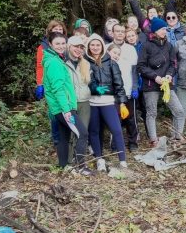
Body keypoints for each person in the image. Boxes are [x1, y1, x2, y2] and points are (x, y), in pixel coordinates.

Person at [41, 32, 90, 173]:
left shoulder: (55, 59)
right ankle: (81, 167)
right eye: (57, 43)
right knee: (82, 133)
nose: (61, 46)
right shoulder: (54, 63)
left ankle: (63, 166)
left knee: (64, 136)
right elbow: (58, 89)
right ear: (50, 44)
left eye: (63, 43)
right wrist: (67, 110)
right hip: (64, 107)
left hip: (61, 108)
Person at [137, 17, 186, 145]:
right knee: (152, 112)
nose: (165, 31)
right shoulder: (146, 46)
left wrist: (169, 75)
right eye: (162, 29)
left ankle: (177, 135)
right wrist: (155, 77)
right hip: (150, 85)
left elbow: (174, 63)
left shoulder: (169, 46)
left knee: (179, 110)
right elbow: (141, 66)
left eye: (165, 29)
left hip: (166, 84)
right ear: (155, 30)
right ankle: (153, 139)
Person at [85, 34, 128, 175]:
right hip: (91, 102)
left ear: (102, 47)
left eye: (98, 45)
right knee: (94, 131)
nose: (95, 47)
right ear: (89, 46)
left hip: (108, 102)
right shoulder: (84, 62)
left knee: (116, 129)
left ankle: (123, 160)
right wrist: (94, 89)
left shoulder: (111, 62)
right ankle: (99, 159)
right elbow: (84, 83)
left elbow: (119, 84)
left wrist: (122, 102)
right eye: (92, 45)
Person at [63, 35, 92, 163]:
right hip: (70, 104)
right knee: (71, 133)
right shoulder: (63, 63)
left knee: (83, 132)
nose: (79, 49)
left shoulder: (85, 64)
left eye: (81, 47)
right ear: (69, 47)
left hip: (84, 102)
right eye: (76, 46)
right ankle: (69, 160)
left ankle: (80, 160)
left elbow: (89, 83)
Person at [108, 37, 140, 151]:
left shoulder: (125, 63)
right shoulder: (105, 65)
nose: (116, 55)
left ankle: (133, 142)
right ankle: (115, 144)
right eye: (114, 52)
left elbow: (133, 74)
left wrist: (134, 88)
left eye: (118, 53)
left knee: (131, 119)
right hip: (114, 96)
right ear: (108, 52)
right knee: (116, 119)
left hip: (128, 93)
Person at [35, 20, 66, 100]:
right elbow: (40, 66)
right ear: (50, 30)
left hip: (65, 82)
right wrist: (40, 84)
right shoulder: (42, 47)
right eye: (56, 29)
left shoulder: (67, 44)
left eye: (60, 29)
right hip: (51, 83)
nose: (58, 31)